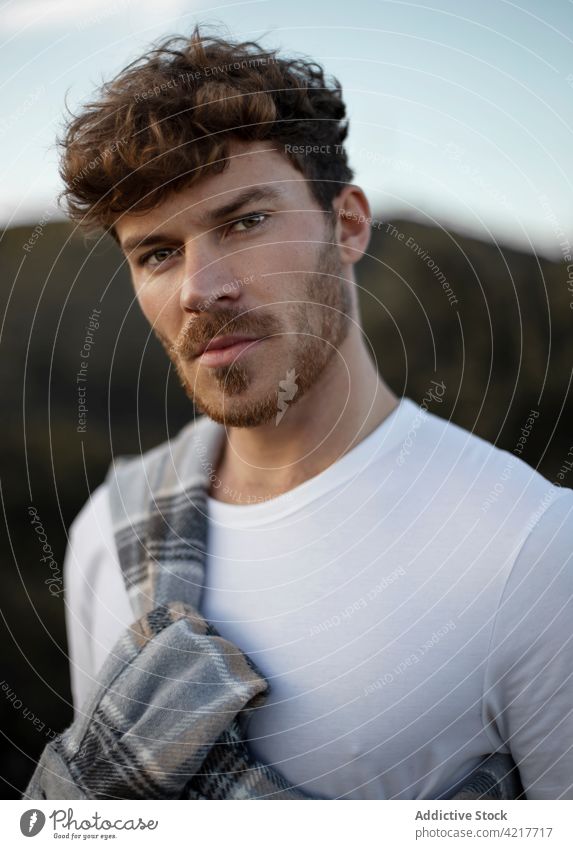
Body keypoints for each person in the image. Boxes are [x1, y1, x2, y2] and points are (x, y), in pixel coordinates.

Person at [53, 25, 573, 799]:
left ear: (348, 224)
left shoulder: (532, 550)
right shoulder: (109, 531)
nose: (202, 287)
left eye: (244, 221)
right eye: (157, 252)